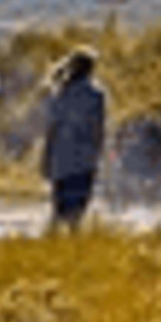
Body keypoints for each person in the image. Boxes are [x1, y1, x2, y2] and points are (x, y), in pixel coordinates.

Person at [40, 51, 109, 229]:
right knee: (77, 211)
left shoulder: (60, 92)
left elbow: (51, 129)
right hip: (85, 159)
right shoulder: (96, 94)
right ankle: (73, 242)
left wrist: (46, 156)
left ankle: (51, 242)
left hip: (60, 158)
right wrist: (100, 153)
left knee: (58, 209)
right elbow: (98, 128)